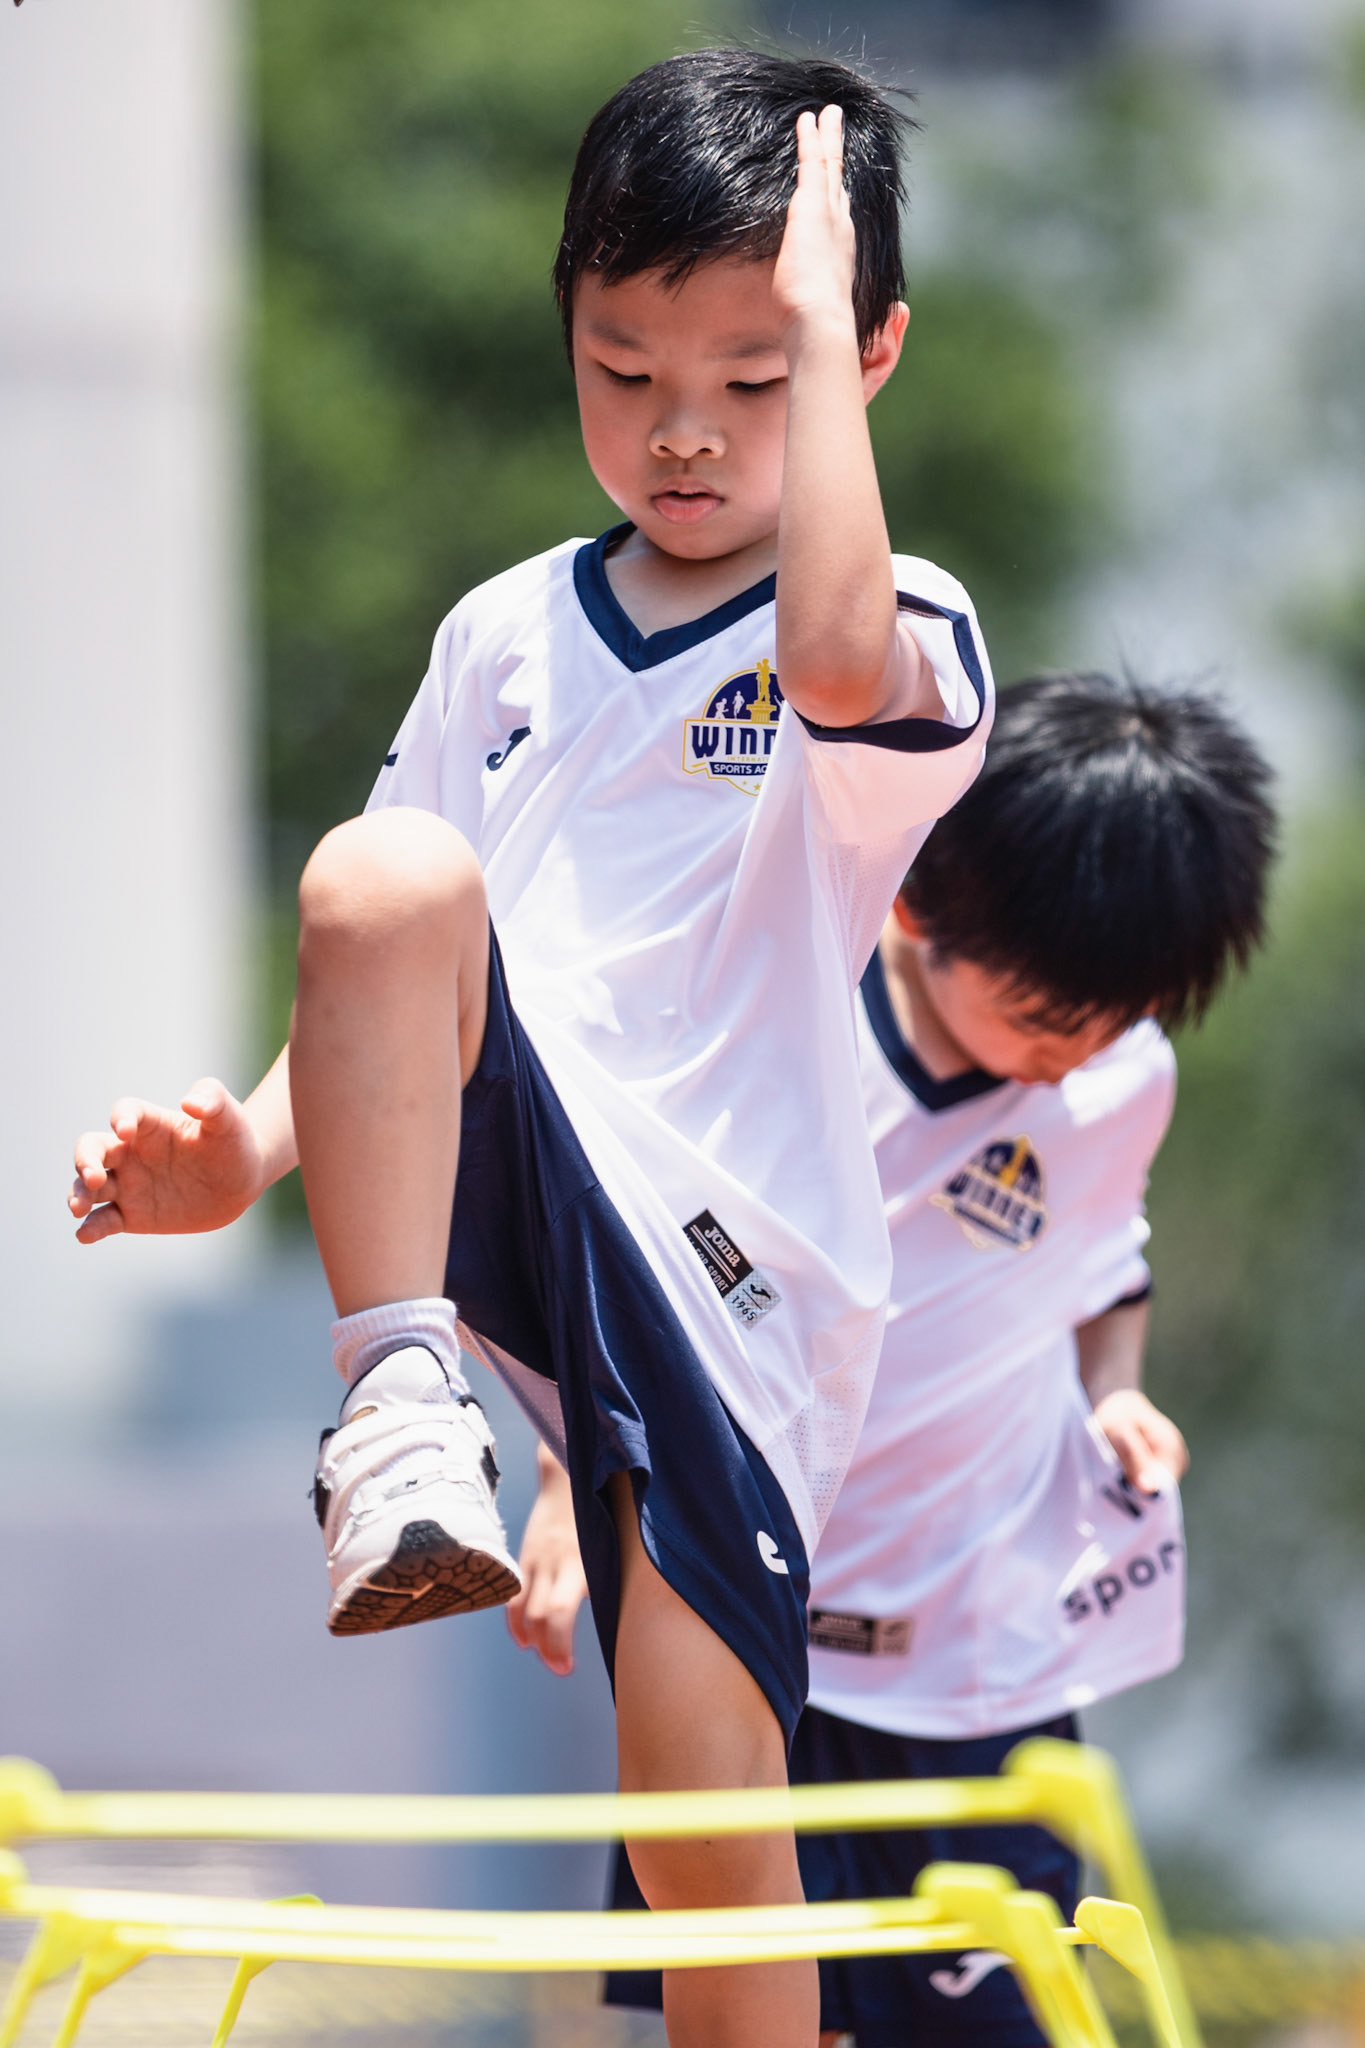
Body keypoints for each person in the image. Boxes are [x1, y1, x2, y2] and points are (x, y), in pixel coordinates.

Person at [68, 51, 993, 2048]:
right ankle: (396, 1406)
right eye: (620, 365)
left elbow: (832, 662)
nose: (676, 433)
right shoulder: (503, 635)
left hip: (730, 1267)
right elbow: (395, 985)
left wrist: (817, 344)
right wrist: (238, 1154)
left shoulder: (892, 621)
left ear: (861, 359)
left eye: (753, 381)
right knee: (384, 875)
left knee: (697, 1821)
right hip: (506, 1188)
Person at [513, 673, 1276, 2047]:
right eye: (1049, 1020)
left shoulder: (1118, 1084)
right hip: (749, 1655)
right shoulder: (773, 1059)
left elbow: (1105, 1255)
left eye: (1121, 1019)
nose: (1078, 1060)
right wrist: (577, 1482)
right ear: (919, 910)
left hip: (975, 1664)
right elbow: (637, 1293)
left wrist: (1114, 1389)